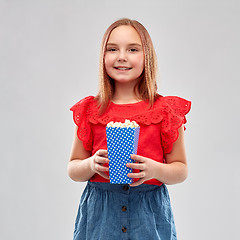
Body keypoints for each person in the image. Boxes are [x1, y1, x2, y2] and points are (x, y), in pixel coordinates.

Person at [68, 18, 191, 240]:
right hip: (101, 216)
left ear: (147, 57)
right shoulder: (90, 110)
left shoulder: (165, 111)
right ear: (103, 57)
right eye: (112, 49)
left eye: (133, 49)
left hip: (149, 214)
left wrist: (154, 170)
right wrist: (91, 164)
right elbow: (73, 168)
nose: (122, 56)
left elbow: (180, 169)